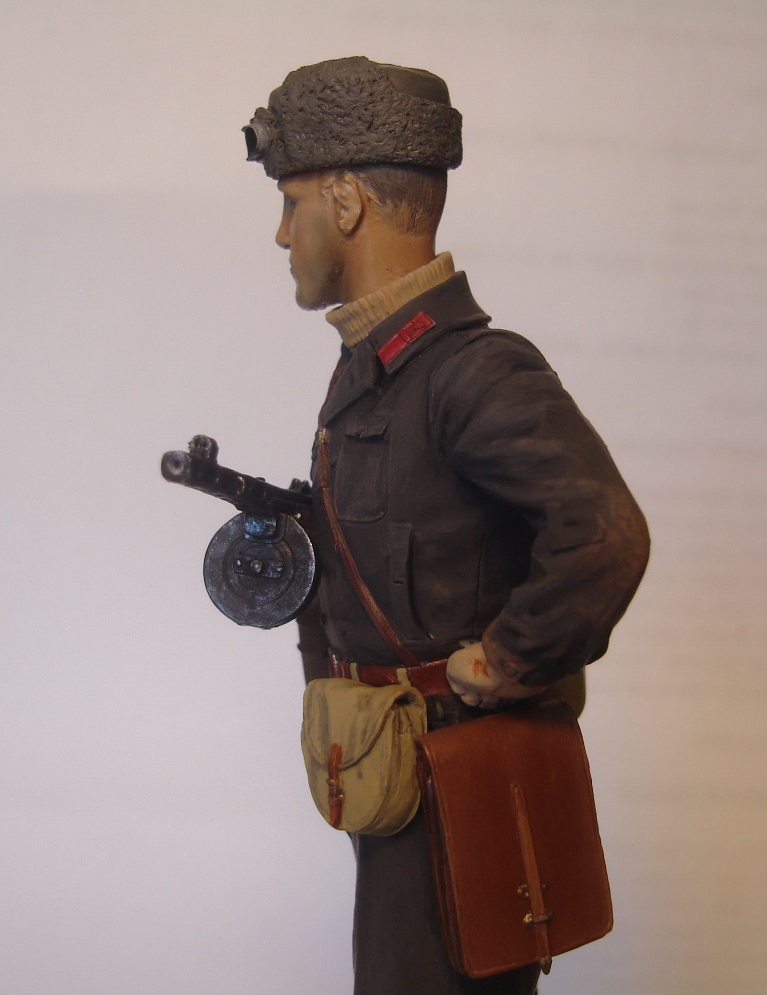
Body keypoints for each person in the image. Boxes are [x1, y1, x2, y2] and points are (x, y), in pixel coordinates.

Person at [242, 57, 650, 995]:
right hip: (394, 777)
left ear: (346, 201)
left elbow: (604, 533)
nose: (283, 234)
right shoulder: (376, 369)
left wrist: (507, 661)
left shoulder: (472, 372)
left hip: (459, 780)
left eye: (293, 203)